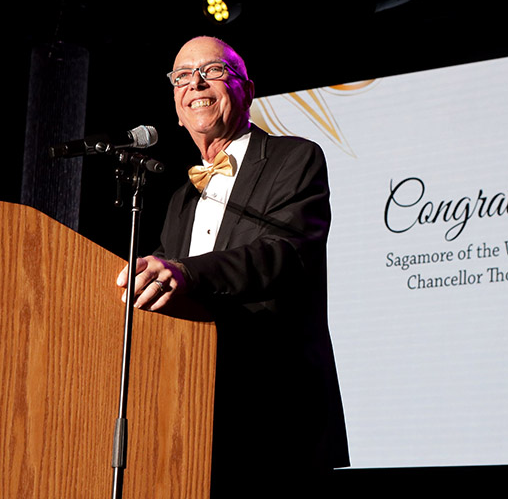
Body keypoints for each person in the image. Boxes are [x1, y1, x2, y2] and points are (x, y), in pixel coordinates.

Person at [116, 36, 349, 496]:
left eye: (214, 71)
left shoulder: (294, 158)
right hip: (193, 413)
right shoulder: (180, 199)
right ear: (177, 107)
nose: (196, 83)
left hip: (276, 411)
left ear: (247, 89)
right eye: (182, 76)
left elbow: (284, 252)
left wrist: (187, 273)